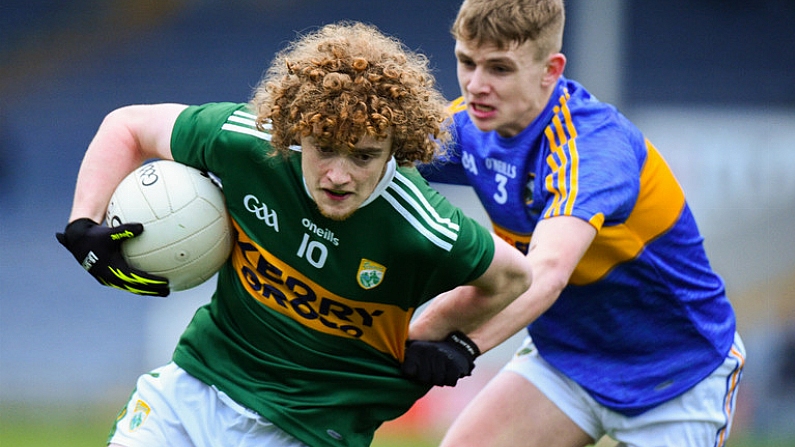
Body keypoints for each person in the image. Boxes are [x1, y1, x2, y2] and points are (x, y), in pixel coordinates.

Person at [55, 21, 533, 447]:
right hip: (192, 390)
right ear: (296, 131)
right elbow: (126, 126)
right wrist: (83, 224)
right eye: (323, 148)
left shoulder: (421, 225)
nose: (339, 175)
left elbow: (515, 278)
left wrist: (451, 341)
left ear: (396, 150)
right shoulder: (245, 143)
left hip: (309, 431)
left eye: (363, 156)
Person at [411, 1, 746, 446]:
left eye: (499, 69)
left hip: (674, 375)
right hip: (564, 362)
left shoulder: (591, 149)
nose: (476, 85)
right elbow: (365, 156)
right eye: (466, 62)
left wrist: (462, 344)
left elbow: (546, 274)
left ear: (551, 70)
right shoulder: (470, 126)